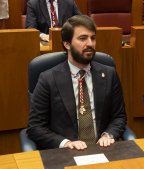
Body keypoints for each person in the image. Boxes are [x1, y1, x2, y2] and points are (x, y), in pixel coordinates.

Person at [27, 15, 127, 150]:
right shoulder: (48, 79)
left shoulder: (109, 74)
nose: (90, 44)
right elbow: (35, 127)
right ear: (67, 44)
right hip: (65, 153)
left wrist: (108, 135)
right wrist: (65, 143)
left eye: (93, 38)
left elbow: (119, 117)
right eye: (82, 38)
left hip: (103, 148)